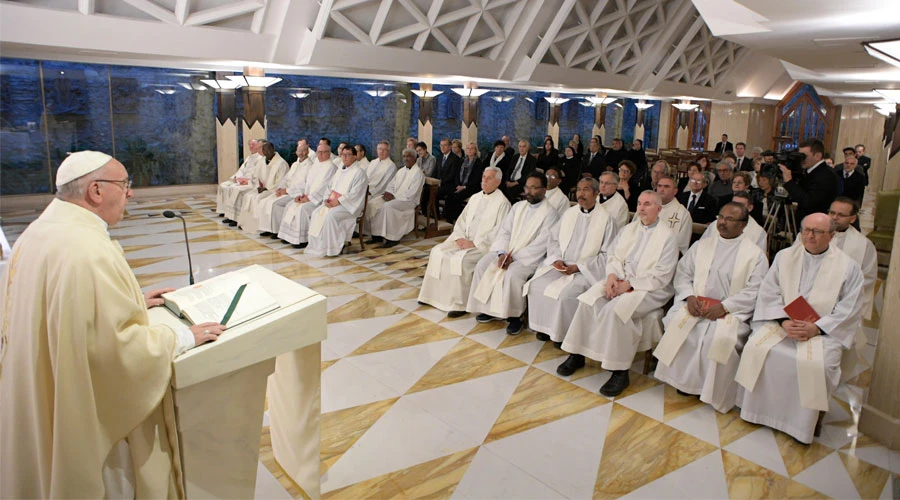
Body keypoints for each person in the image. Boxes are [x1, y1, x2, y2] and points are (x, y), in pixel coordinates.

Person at [0, 151, 225, 498]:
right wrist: (179, 336)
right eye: (124, 184)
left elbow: (70, 311)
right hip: (87, 419)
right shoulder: (87, 249)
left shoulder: (41, 231)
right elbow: (115, 352)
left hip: (36, 387)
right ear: (96, 191)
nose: (130, 193)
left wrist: (133, 300)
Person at [736, 213, 865, 444]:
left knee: (818, 364)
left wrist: (816, 328)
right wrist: (783, 321)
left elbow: (849, 308)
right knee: (757, 347)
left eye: (817, 232)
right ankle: (757, 411)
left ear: (832, 236)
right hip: (784, 323)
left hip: (823, 331)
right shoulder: (785, 257)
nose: (809, 235)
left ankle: (801, 425)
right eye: (805, 230)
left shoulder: (848, 267)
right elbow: (769, 291)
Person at [558, 191, 678, 396]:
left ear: (659, 208)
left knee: (616, 312)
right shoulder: (628, 230)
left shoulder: (668, 237)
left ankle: (619, 371)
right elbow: (613, 256)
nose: (641, 208)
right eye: (639, 203)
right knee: (588, 301)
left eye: (647, 204)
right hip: (619, 280)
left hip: (649, 289)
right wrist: (612, 276)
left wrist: (630, 284)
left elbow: (662, 275)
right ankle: (577, 353)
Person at [654, 202, 769, 413]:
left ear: (743, 225)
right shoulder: (702, 245)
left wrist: (725, 306)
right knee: (680, 325)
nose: (722, 222)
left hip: (731, 312)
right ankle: (685, 382)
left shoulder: (755, 255)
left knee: (717, 338)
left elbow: (756, 290)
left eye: (729, 219)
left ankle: (710, 389)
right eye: (721, 216)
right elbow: (683, 274)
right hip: (696, 305)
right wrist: (689, 297)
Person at [525, 177, 617, 348]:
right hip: (562, 265)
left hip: (586, 271)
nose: (581, 194)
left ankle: (563, 334)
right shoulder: (570, 213)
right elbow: (553, 240)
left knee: (566, 295)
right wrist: (557, 259)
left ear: (596, 193)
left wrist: (579, 267)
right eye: (579, 189)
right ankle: (546, 328)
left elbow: (608, 254)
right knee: (536, 285)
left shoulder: (607, 219)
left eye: (586, 190)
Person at [466, 173, 559, 335]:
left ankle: (514, 316)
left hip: (530, 258)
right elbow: (504, 232)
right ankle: (488, 310)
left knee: (512, 275)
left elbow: (542, 243)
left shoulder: (550, 213)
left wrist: (513, 258)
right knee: (483, 264)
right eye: (527, 187)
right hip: (507, 251)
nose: (528, 191)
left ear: (544, 190)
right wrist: (502, 253)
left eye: (534, 188)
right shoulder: (518, 207)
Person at [419, 167, 511, 316]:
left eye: (489, 178)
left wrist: (474, 243)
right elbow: (461, 221)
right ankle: (430, 295)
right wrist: (460, 238)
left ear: (498, 182)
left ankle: (458, 304)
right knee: (437, 252)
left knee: (460, 260)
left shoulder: (503, 203)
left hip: (482, 246)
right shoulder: (475, 198)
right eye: (484, 176)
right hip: (463, 239)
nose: (484, 180)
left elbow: (499, 232)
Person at [305, 146, 369, 257]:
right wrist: (326, 199)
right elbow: (329, 187)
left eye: (348, 155)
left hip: (350, 206)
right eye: (343, 154)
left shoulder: (359, 173)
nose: (344, 157)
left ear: (355, 157)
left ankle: (333, 248)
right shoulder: (340, 170)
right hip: (335, 203)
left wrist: (338, 202)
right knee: (316, 213)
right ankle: (319, 246)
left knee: (330, 216)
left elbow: (355, 194)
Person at [276, 144, 338, 248]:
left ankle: (302, 240)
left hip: (318, 200)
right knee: (290, 205)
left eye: (323, 152)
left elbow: (324, 187)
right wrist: (302, 195)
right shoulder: (315, 165)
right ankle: (289, 237)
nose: (320, 155)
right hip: (308, 196)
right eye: (319, 152)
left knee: (302, 210)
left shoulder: (331, 167)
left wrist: (309, 198)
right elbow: (307, 182)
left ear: (329, 153)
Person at [364, 148, 425, 248]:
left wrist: (395, 197)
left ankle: (392, 238)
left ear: (414, 158)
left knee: (388, 207)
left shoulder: (418, 173)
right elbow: (391, 185)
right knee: (373, 203)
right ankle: (376, 235)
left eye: (408, 156)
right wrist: (389, 193)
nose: (406, 159)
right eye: (404, 156)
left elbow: (411, 194)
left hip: (408, 201)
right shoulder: (401, 171)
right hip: (395, 198)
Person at [258, 139, 313, 237]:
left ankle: (276, 230)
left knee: (275, 204)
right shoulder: (295, 165)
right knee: (265, 201)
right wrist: (280, 188)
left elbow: (304, 185)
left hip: (295, 193)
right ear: (296, 152)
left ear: (308, 152)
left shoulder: (310, 166)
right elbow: (286, 179)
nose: (302, 153)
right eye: (299, 150)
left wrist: (286, 191)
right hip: (286, 191)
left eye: (304, 150)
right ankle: (267, 228)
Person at [780, 138, 839, 222]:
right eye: (799, 156)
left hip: (816, 223)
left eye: (804, 156)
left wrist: (789, 182)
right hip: (805, 221)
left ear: (817, 156)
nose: (801, 159)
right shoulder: (809, 171)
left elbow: (808, 202)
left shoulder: (826, 175)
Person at [236, 141, 289, 232]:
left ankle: (259, 227)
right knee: (248, 196)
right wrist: (258, 186)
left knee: (259, 199)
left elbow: (281, 182)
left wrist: (266, 189)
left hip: (272, 191)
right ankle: (246, 224)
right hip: (262, 189)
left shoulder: (281, 163)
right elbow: (255, 177)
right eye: (264, 150)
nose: (267, 152)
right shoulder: (262, 161)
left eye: (268, 150)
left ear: (273, 150)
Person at [701, 191, 767, 251]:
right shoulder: (715, 224)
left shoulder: (758, 233)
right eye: (733, 203)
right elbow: (702, 246)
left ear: (750, 208)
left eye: (740, 205)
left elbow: (758, 257)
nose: (735, 208)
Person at [218, 138, 265, 224]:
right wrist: (237, 177)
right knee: (223, 185)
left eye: (253, 145)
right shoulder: (249, 157)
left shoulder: (260, 159)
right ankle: (227, 212)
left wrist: (247, 181)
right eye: (249, 145)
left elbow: (256, 175)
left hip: (251, 183)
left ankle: (236, 217)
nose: (251, 147)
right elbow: (242, 169)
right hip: (243, 180)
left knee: (236, 189)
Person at [444, 142, 485, 224]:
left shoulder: (478, 163)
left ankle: (458, 220)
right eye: (468, 148)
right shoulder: (462, 160)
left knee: (456, 197)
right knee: (449, 195)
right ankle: (448, 220)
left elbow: (476, 179)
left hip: (471, 187)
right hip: (460, 185)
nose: (469, 150)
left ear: (475, 151)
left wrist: (464, 187)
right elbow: (457, 174)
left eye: (472, 148)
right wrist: (458, 185)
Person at [653, 174, 693, 254]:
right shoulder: (647, 207)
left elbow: (682, 246)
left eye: (666, 186)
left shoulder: (683, 214)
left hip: (666, 257)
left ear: (675, 191)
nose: (662, 189)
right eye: (659, 186)